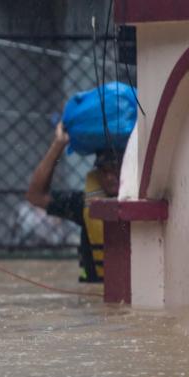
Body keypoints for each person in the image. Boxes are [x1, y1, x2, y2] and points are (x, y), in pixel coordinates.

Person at [26, 121, 121, 283]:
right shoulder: (83, 204)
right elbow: (35, 196)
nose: (109, 177)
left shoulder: (147, 206)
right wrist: (58, 145)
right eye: (104, 171)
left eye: (115, 168)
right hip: (93, 297)